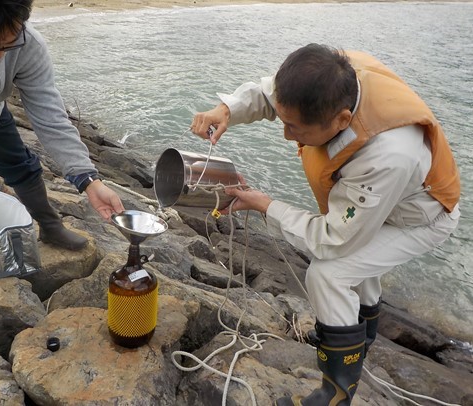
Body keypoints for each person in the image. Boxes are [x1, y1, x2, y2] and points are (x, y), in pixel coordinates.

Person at [191, 43, 460, 406]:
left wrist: (266, 205)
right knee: (358, 272)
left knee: (329, 274)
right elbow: (274, 94)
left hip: (420, 218)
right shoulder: (333, 76)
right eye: (284, 122)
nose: (286, 135)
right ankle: (353, 354)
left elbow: (333, 239)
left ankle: (334, 396)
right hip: (379, 203)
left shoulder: (389, 156)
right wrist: (226, 110)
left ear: (342, 121)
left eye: (294, 128)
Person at [0, 0, 125, 324]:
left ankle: (50, 226)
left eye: (8, 44)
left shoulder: (29, 44)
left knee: (23, 167)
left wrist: (87, 179)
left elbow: (50, 115)